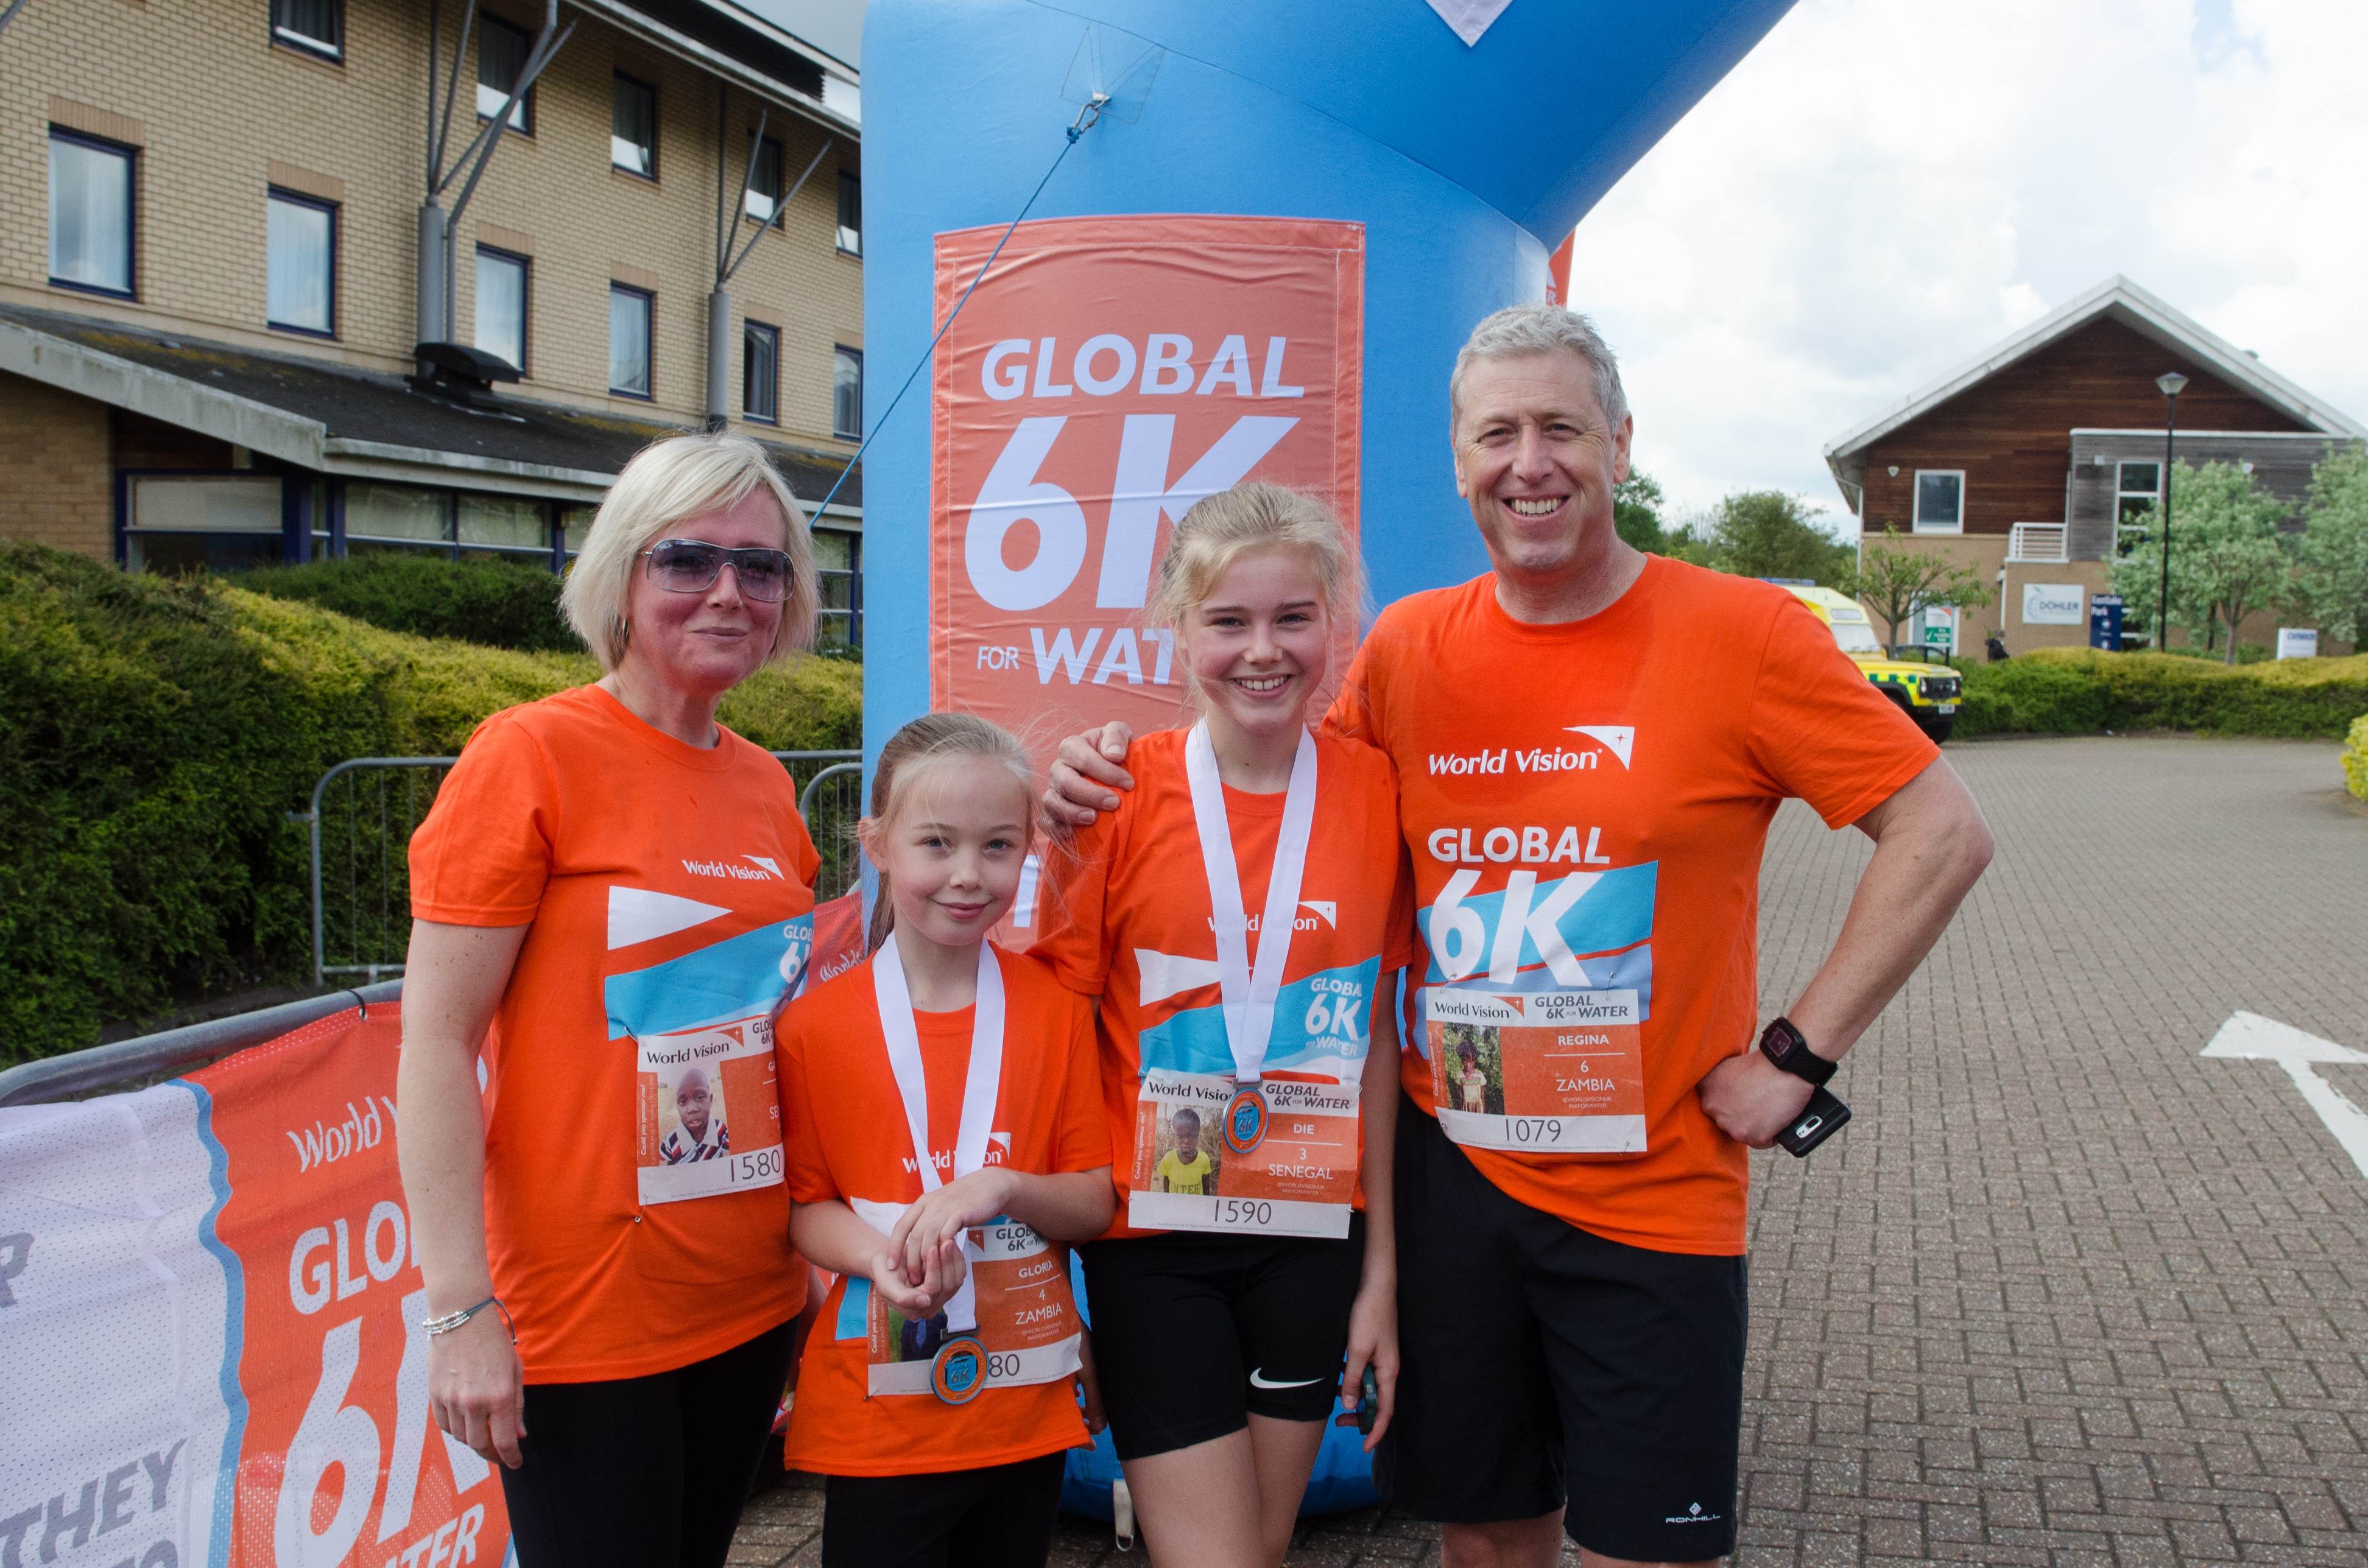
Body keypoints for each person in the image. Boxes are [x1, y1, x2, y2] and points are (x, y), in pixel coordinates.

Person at [1045, 306, 1995, 1568]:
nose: (1529, 461)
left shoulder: (1746, 632)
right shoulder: (1407, 650)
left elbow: (1942, 828)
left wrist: (1799, 1053)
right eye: (1499, 432)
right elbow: (1278, 806)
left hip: (1653, 1200)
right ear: (1458, 460)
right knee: (1486, 1544)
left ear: (1620, 442)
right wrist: (1081, 780)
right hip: (1458, 1193)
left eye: (1560, 426)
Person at [398, 434, 826, 1568]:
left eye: (762, 567)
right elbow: (435, 1044)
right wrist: (458, 1310)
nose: (730, 592)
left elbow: (770, 1043)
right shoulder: (528, 757)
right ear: (622, 581)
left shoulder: (767, 786)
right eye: (688, 560)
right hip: (587, 1318)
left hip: (747, 1297)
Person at [1030, 482, 1417, 1568]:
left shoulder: (1376, 792)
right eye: (1227, 622)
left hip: (1308, 1236)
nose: (1262, 651)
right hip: (1154, 1246)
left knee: (1256, 1549)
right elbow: (1055, 1036)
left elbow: (1374, 1040)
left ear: (1333, 623)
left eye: (1292, 618)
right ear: (1176, 626)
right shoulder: (1109, 797)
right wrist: (1047, 1279)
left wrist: (1380, 1269)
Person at [775, 713, 1117, 1568]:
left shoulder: (1056, 1011)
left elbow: (1093, 1200)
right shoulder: (815, 1027)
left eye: (999, 846)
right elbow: (806, 1207)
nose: (969, 875)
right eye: (937, 842)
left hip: (1022, 1400)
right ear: (878, 843)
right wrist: (882, 1254)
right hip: (876, 1412)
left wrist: (1000, 1184)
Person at [659, 1067, 728, 1164]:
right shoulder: (671, 1141)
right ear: (677, 1106)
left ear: (711, 1100)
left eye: (700, 1098)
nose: (692, 1109)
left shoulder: (721, 1129)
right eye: (683, 1102)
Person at [1156, 1108, 1213, 1195]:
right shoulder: (1168, 1158)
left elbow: (1206, 1185)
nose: (1186, 1141)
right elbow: (1166, 1184)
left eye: (1191, 1136)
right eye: (1180, 1136)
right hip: (1175, 1206)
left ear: (1198, 1135)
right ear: (1174, 1135)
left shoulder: (1204, 1158)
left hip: (1196, 1207)